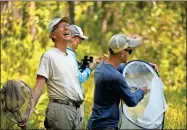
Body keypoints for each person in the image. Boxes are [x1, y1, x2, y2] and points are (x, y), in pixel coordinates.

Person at [30, 17, 84, 129]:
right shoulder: (49, 56)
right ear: (53, 35)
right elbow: (39, 87)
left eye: (67, 25)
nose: (66, 28)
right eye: (61, 26)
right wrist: (28, 112)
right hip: (60, 111)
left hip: (76, 110)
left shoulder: (70, 56)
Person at [87, 34, 150, 130]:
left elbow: (127, 68)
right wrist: (142, 91)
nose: (129, 53)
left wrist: (149, 66)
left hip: (95, 123)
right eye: (129, 50)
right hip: (107, 126)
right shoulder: (115, 76)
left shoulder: (102, 66)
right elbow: (131, 101)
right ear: (122, 53)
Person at [67, 24, 97, 128]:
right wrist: (90, 68)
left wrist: (86, 66)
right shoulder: (69, 55)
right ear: (72, 38)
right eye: (79, 39)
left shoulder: (67, 54)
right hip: (71, 105)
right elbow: (79, 78)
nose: (80, 42)